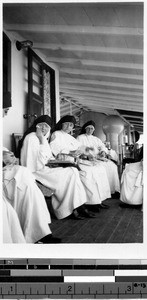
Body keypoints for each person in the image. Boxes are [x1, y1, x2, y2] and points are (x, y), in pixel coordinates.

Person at [20, 115, 93, 220]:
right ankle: (66, 209)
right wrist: (41, 140)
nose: (43, 128)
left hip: (45, 167)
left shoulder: (42, 138)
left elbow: (48, 156)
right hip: (37, 171)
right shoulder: (31, 137)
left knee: (72, 171)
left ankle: (76, 207)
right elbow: (33, 162)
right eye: (41, 125)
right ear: (36, 126)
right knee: (70, 173)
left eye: (46, 126)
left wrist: (55, 161)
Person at [50, 115, 111, 211]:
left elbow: (80, 147)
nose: (68, 127)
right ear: (61, 124)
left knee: (98, 169)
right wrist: (70, 152)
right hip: (64, 161)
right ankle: (90, 202)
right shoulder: (56, 134)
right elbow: (55, 148)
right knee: (89, 173)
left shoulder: (70, 137)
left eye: (70, 125)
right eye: (66, 124)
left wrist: (88, 151)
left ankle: (97, 200)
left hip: (74, 160)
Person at [3, 147, 60, 243]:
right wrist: (4, 158)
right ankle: (39, 235)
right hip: (6, 172)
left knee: (30, 189)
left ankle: (40, 233)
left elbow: (9, 156)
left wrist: (10, 157)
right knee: (26, 186)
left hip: (12, 170)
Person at [77, 120, 120, 196]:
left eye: (92, 129)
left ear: (94, 130)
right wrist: (87, 154)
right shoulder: (80, 138)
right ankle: (102, 192)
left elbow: (102, 146)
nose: (90, 130)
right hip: (87, 159)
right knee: (102, 167)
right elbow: (79, 149)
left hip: (98, 158)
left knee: (112, 166)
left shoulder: (96, 139)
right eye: (88, 128)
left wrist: (103, 151)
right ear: (85, 129)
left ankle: (112, 189)